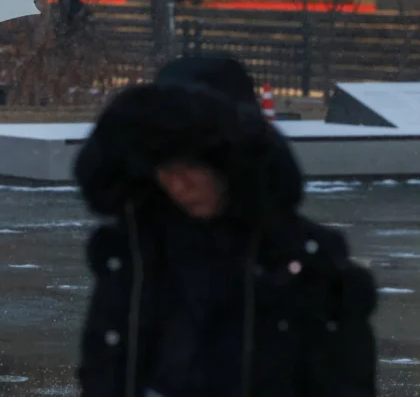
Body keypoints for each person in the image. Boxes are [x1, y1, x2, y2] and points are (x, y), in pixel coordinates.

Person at [74, 56, 377, 397]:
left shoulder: (304, 263)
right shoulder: (132, 255)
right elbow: (104, 372)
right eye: (164, 168)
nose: (178, 185)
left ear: (231, 162)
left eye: (192, 165)